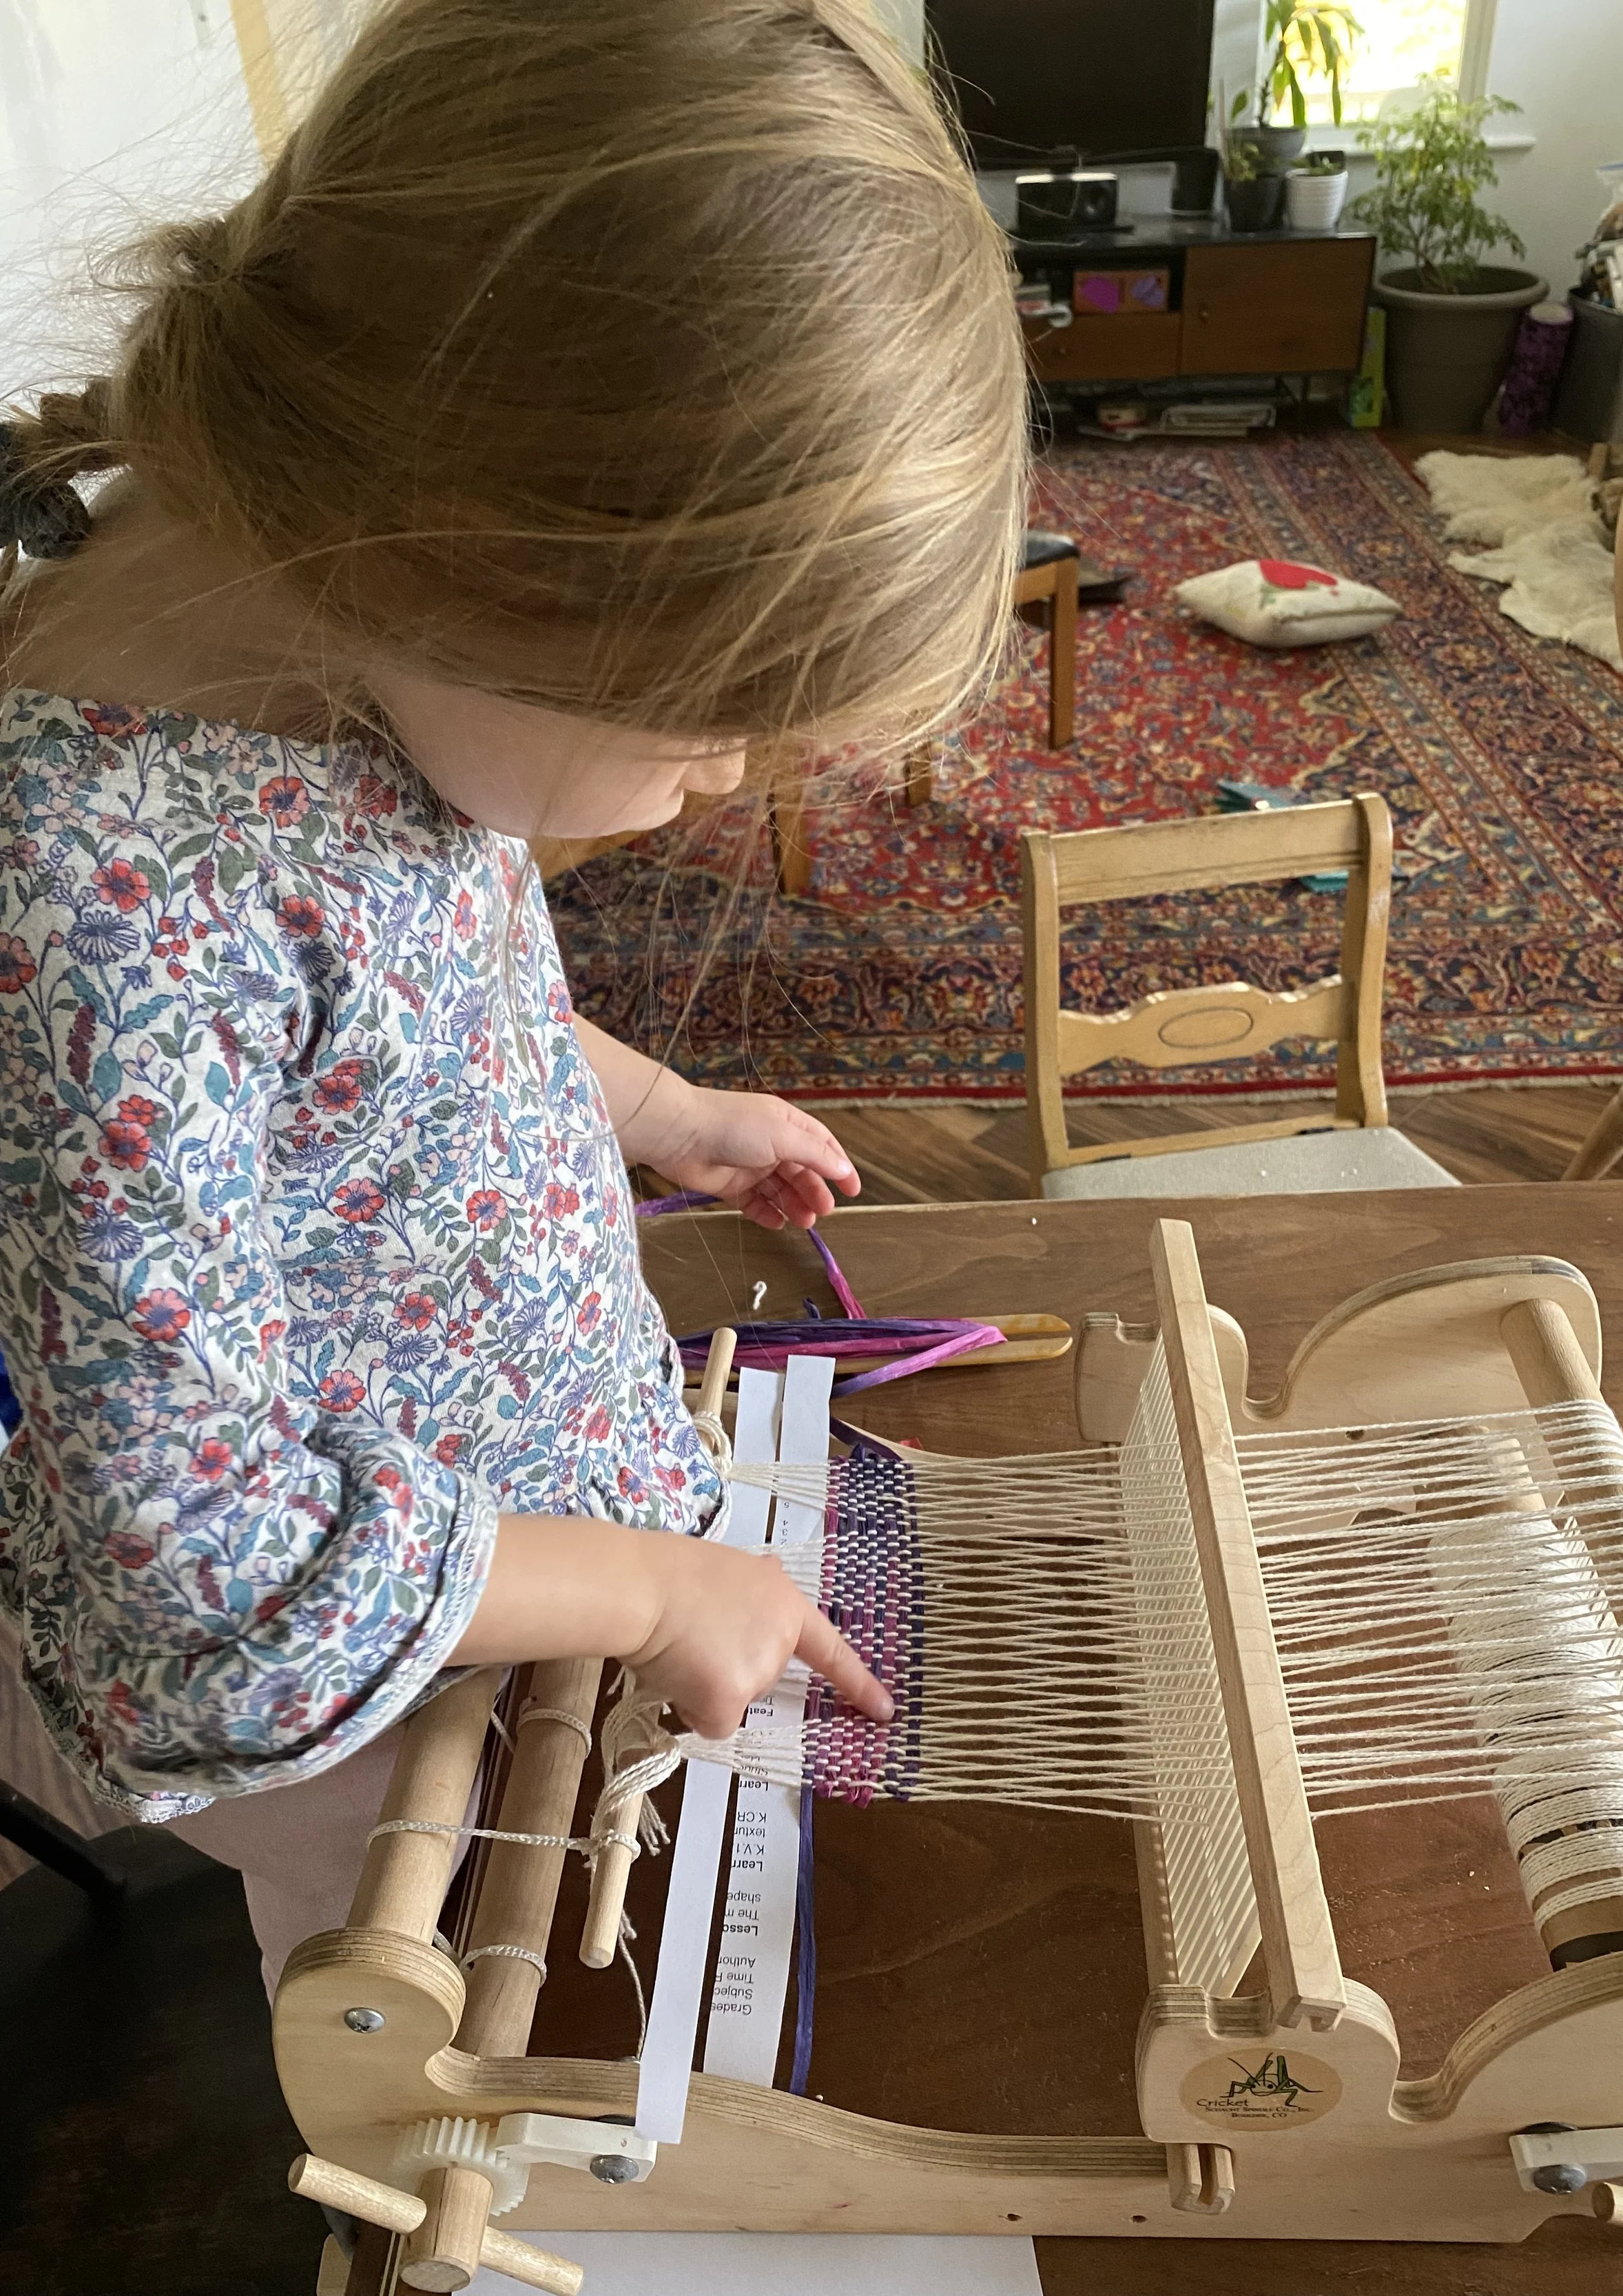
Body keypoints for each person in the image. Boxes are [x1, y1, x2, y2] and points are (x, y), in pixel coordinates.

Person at [0, 0, 1024, 1983]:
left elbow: (416, 1005)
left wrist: (654, 1112)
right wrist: (642, 1592)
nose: (722, 779)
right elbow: (208, 1584)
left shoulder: (317, 634)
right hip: (401, 1746)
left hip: (546, 1548)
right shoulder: (102, 920)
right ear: (483, 560)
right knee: (491, 2017)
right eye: (713, 722)